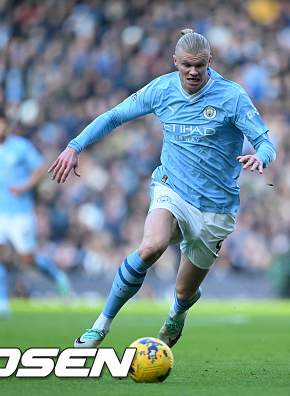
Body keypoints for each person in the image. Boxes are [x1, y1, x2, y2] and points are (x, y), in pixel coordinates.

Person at [48, 29, 276, 348]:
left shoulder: (232, 96)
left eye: (199, 65)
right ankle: (101, 325)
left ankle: (177, 312)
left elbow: (266, 142)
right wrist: (75, 145)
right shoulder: (161, 89)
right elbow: (115, 116)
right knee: (151, 246)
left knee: (184, 292)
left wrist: (260, 157)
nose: (193, 71)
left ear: (210, 61)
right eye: (186, 65)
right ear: (175, 62)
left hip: (215, 209)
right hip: (172, 190)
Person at [0, 114, 71, 321]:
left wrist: (24, 187)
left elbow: (40, 168)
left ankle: (57, 276)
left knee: (28, 259)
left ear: (7, 128)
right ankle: (2, 306)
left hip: (19, 213)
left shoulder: (21, 147)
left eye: (1, 126)